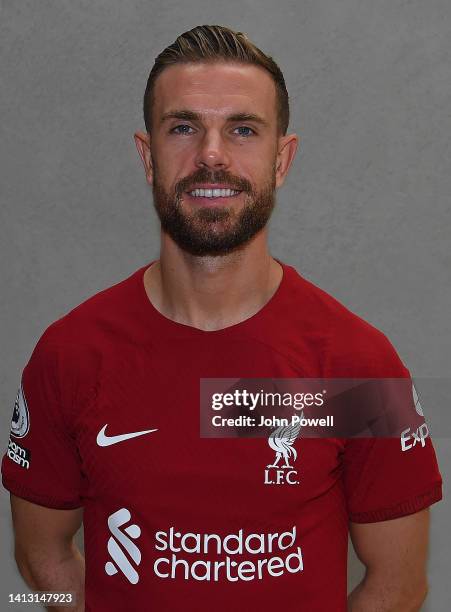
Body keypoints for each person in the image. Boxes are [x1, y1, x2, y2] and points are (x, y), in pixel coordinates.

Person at [2, 24, 443, 612]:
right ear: (147, 156)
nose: (211, 154)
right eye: (183, 127)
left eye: (242, 129)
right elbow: (40, 557)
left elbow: (399, 584)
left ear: (281, 160)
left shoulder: (359, 366)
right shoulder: (70, 354)